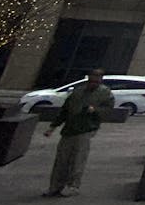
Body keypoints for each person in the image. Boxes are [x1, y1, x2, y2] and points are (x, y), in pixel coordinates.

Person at [43, 69, 113, 197]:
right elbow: (65, 110)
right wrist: (53, 127)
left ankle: (73, 186)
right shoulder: (78, 91)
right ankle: (55, 186)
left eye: (97, 79)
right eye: (92, 79)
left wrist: (95, 110)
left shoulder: (105, 93)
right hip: (70, 129)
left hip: (86, 129)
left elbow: (108, 109)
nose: (94, 82)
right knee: (61, 160)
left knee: (78, 159)